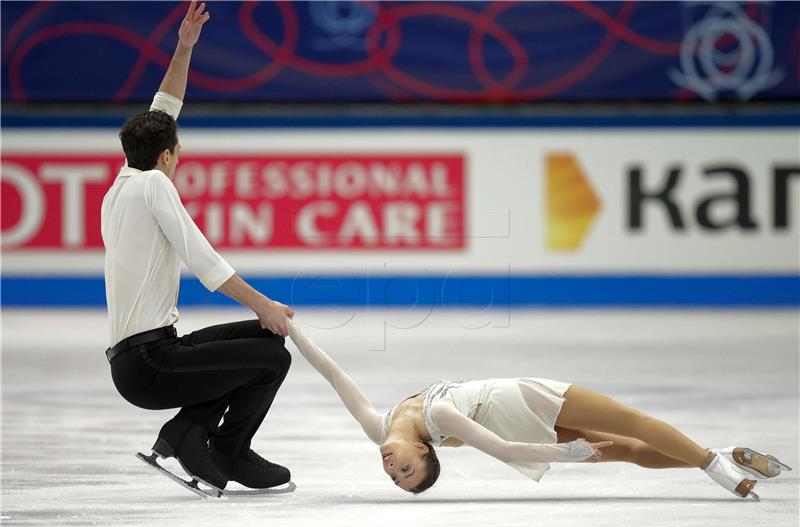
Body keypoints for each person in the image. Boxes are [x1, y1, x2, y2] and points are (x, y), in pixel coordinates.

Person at [102, 1, 293, 491]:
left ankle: (185, 433)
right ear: (167, 156)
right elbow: (204, 260)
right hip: (149, 367)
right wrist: (264, 303)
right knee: (273, 356)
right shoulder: (155, 187)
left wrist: (184, 48)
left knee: (259, 341)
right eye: (177, 149)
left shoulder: (124, 182)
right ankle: (229, 453)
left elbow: (162, 109)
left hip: (145, 355)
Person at [287, 320, 790, 497]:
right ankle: (716, 457)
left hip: (526, 405)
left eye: (397, 475)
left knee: (633, 432)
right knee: (633, 443)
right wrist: (569, 453)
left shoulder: (379, 427)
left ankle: (712, 460)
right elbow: (505, 450)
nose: (394, 470)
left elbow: (335, 374)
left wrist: (290, 331)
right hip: (523, 412)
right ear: (424, 449)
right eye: (407, 474)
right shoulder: (438, 420)